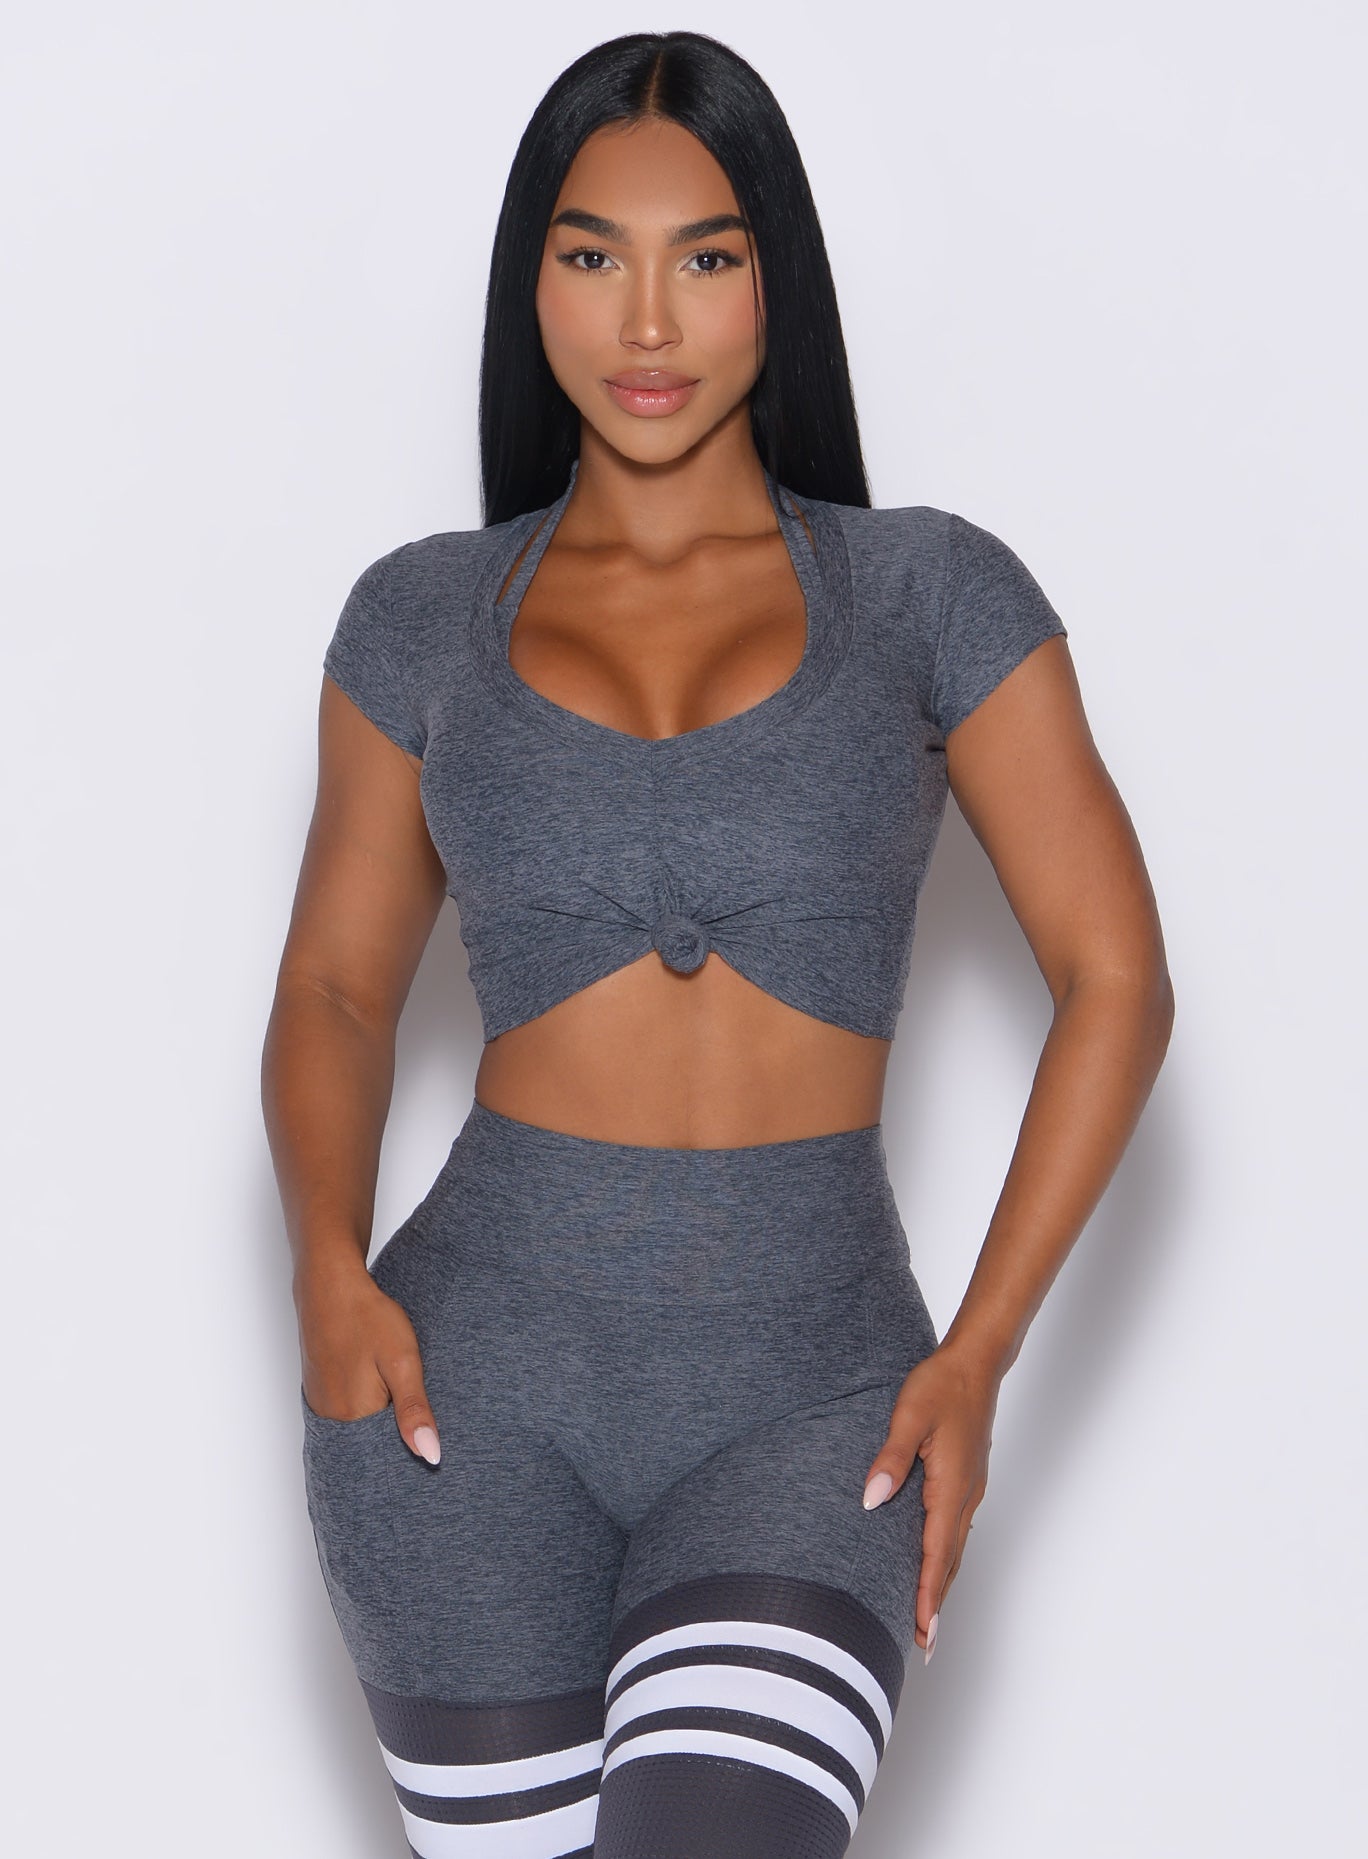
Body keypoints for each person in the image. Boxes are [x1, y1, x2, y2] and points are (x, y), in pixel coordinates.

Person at [261, 28, 1174, 1859]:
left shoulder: (926, 592)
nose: (647, 320)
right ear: (532, 284)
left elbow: (1117, 980)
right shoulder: (422, 616)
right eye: (592, 254)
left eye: (708, 255)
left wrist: (980, 1353)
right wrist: (327, 1277)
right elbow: (338, 990)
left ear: (780, 279)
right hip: (462, 1396)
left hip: (816, 1391)